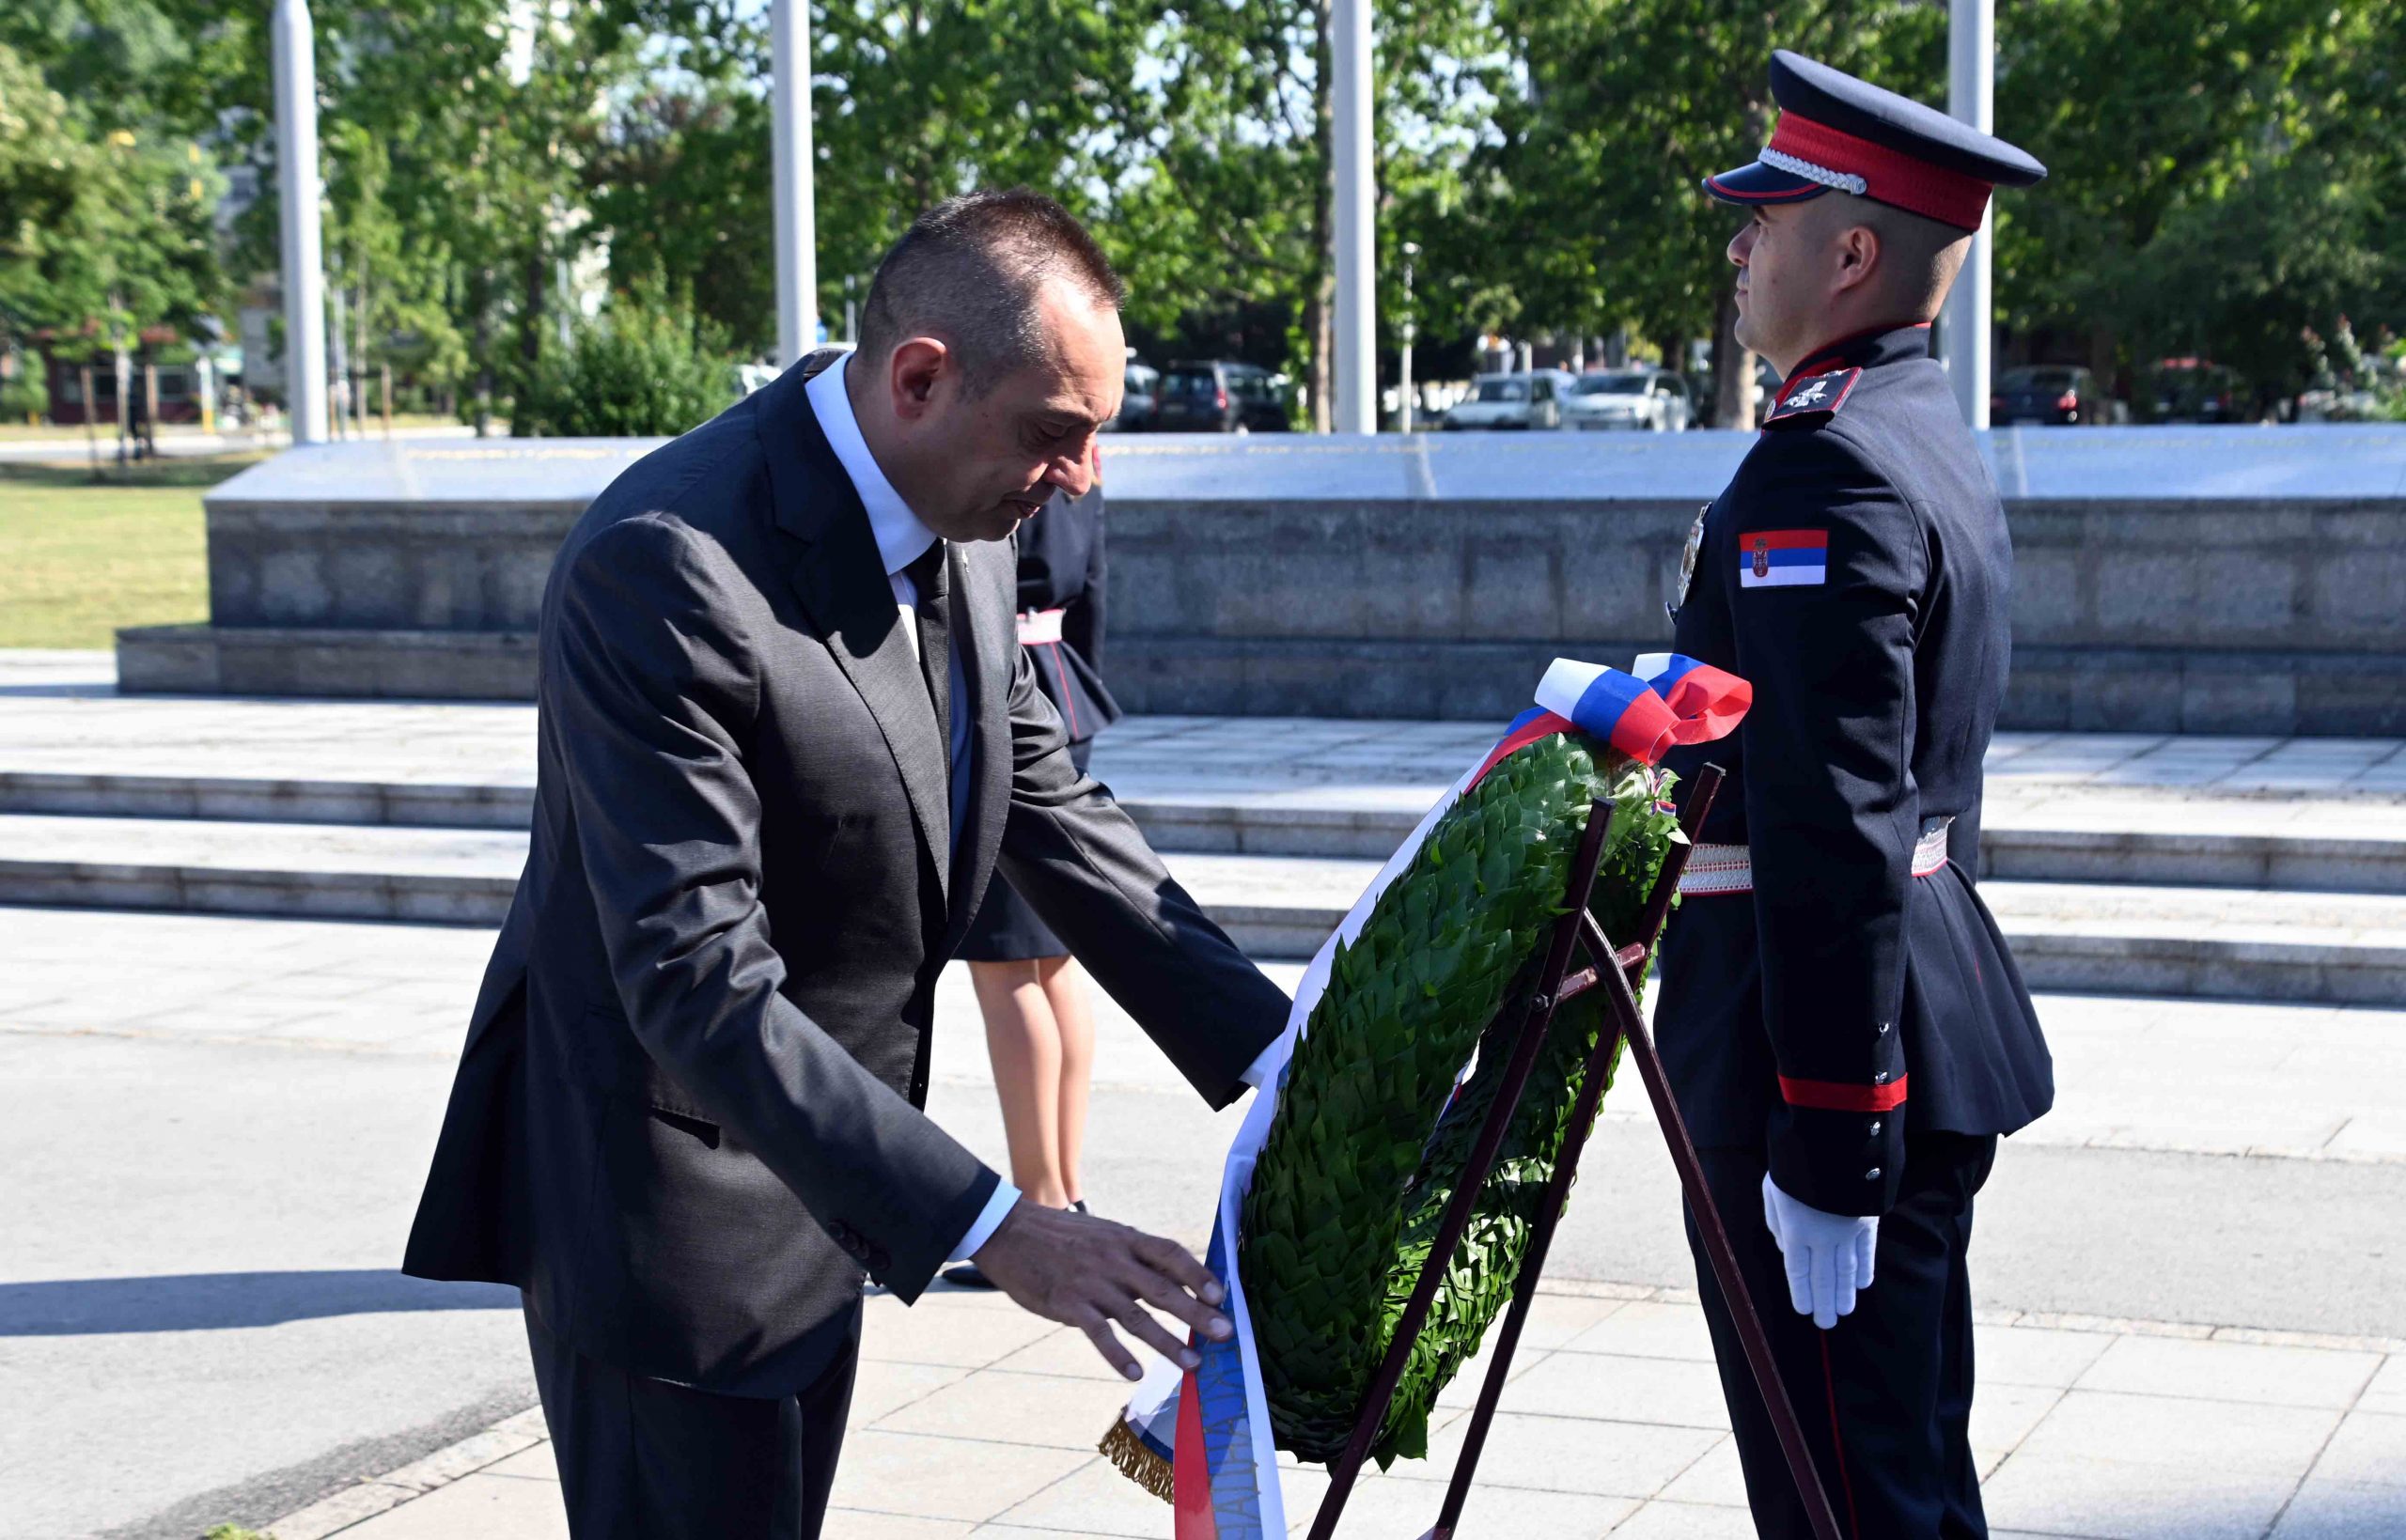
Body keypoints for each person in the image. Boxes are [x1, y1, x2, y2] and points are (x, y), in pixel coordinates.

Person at [399, 189, 1292, 1540]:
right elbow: (695, 977)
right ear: (921, 378)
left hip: (821, 1181)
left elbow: (1049, 803)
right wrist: (998, 1219)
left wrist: (1303, 1053)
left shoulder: (961, 516)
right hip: (674, 1220)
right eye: (1059, 433)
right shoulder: (668, 564)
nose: (1081, 476)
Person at [1654, 51, 2054, 1540]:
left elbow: (1831, 825)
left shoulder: (1827, 473)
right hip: (1899, 1006)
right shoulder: (1910, 429)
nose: (1742, 245)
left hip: (1814, 1045)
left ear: (1856, 251)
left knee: (1845, 1494)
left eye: (1769, 216)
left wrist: (1830, 1141)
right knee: (1897, 1465)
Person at [944, 476, 1118, 1288]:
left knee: (1006, 965)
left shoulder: (1014, 469)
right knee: (1051, 964)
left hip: (1001, 690)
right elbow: (1095, 600)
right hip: (1060, 685)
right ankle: (1064, 1186)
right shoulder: (1089, 478)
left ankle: (1041, 1199)